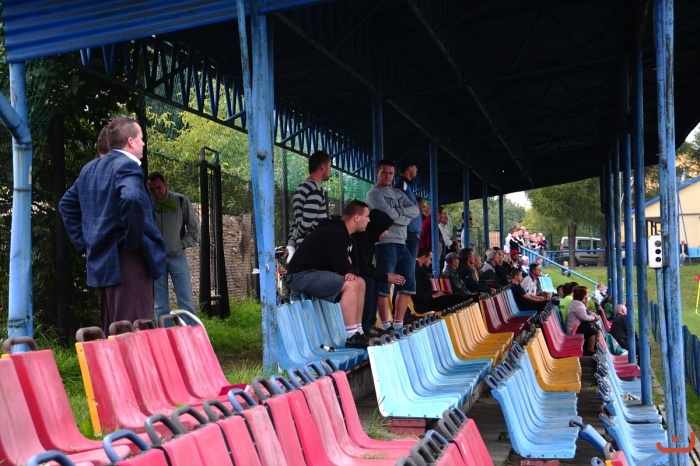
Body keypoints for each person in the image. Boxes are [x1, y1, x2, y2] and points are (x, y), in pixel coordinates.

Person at [60, 116, 167, 335]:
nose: (143, 143)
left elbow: (66, 205)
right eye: (141, 138)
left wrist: (85, 243)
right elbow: (131, 198)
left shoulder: (90, 169)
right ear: (130, 141)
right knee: (134, 330)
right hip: (128, 261)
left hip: (102, 261)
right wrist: (133, 241)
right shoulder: (127, 166)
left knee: (113, 330)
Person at [285, 200, 371, 348]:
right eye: (367, 216)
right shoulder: (335, 231)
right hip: (301, 275)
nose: (369, 220)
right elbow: (341, 266)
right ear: (357, 217)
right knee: (351, 285)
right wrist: (347, 268)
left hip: (316, 273)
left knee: (361, 282)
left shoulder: (348, 236)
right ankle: (351, 336)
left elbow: (356, 267)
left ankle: (359, 331)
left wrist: (349, 269)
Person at [366, 159, 420, 330]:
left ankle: (398, 325)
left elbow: (415, 210)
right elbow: (388, 215)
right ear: (377, 172)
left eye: (391, 173)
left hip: (402, 243)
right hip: (385, 243)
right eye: (384, 172)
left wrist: (399, 214)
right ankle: (385, 325)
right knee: (384, 285)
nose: (388, 176)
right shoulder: (374, 194)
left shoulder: (398, 193)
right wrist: (404, 218)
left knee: (408, 284)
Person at [147, 172, 200, 325]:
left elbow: (194, 229)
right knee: (160, 304)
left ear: (165, 184)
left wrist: (181, 245)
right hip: (156, 259)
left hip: (178, 257)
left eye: (158, 187)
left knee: (186, 300)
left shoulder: (180, 200)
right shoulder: (146, 204)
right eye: (152, 189)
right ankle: (165, 336)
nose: (156, 192)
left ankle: (190, 334)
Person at [352, 209, 405, 336]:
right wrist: (386, 277)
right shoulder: (360, 239)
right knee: (369, 281)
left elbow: (367, 266)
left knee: (375, 280)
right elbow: (362, 268)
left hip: (359, 271)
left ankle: (370, 324)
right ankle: (365, 327)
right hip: (352, 274)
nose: (387, 233)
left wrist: (385, 276)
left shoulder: (370, 241)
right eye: (386, 229)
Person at [285, 150, 331, 260]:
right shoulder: (315, 189)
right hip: (313, 248)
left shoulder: (300, 188)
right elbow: (306, 224)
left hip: (302, 246)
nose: (330, 170)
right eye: (330, 167)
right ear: (323, 167)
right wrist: (293, 238)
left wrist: (292, 241)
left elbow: (297, 222)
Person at [414, 248, 468, 313]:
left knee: (457, 297)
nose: (430, 262)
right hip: (424, 304)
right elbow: (418, 294)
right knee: (458, 299)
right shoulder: (416, 271)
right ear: (423, 258)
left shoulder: (420, 269)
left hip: (428, 300)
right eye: (430, 259)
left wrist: (437, 293)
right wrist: (433, 295)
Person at [395, 158, 421, 266]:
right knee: (408, 267)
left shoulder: (406, 185)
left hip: (411, 233)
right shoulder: (402, 185)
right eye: (415, 167)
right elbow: (399, 206)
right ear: (409, 168)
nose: (417, 169)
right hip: (408, 234)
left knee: (409, 267)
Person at [565, 285, 600, 355]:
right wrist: (593, 317)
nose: (588, 294)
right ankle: (590, 350)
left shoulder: (577, 302)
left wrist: (591, 313)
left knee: (593, 327)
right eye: (587, 292)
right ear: (582, 294)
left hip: (576, 325)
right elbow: (584, 317)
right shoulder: (578, 304)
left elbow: (585, 311)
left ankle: (591, 348)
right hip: (573, 328)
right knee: (593, 330)